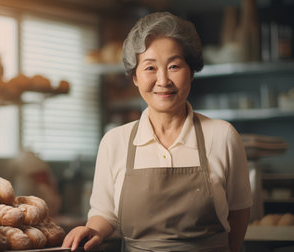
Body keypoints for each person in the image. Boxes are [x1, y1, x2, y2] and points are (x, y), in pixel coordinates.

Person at [62, 11, 253, 252]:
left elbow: (239, 211)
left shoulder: (222, 136)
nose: (163, 80)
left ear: (191, 72)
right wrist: (93, 229)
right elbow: (105, 213)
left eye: (174, 66)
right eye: (150, 68)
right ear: (135, 77)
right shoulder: (114, 141)